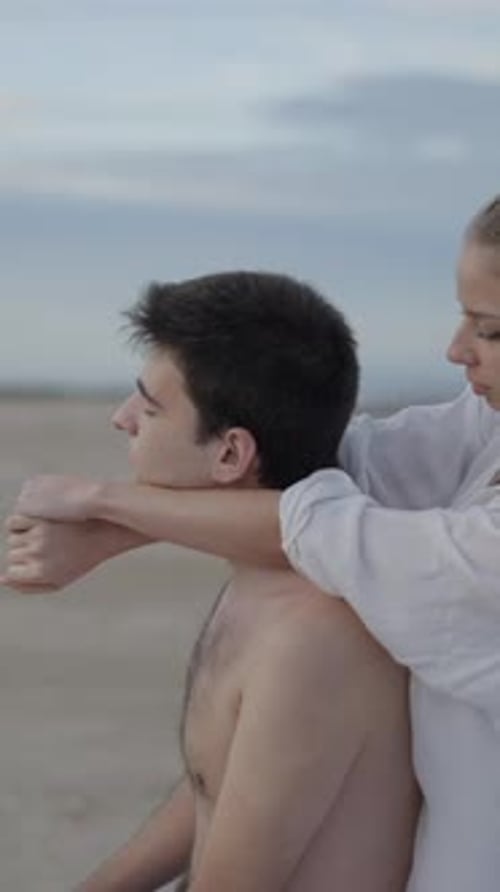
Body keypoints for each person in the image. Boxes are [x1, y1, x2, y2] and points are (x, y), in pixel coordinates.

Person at [5, 195, 500, 891]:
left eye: (491, 330)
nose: (454, 350)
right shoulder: (271, 584)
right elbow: (352, 463)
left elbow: (330, 524)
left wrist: (102, 503)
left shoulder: (314, 636)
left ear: (233, 452)